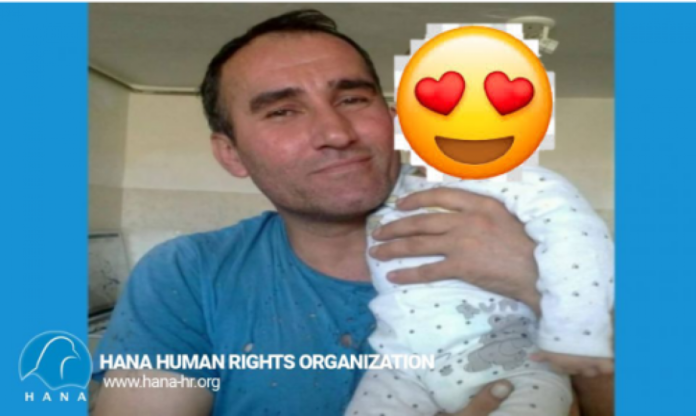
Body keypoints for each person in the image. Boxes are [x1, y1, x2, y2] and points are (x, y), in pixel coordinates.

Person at [92, 9, 613, 416]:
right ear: (231, 154)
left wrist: (534, 281)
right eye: (282, 111)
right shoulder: (188, 275)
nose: (336, 133)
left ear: (395, 120)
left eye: (354, 100)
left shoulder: (549, 238)